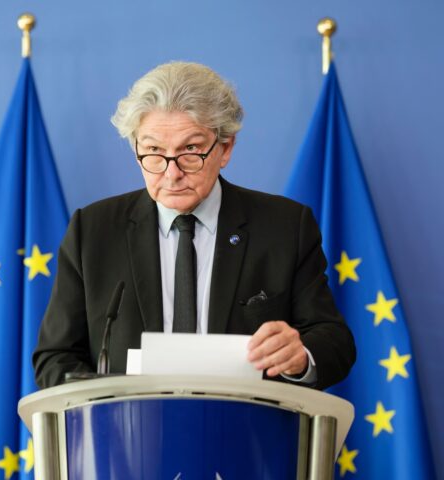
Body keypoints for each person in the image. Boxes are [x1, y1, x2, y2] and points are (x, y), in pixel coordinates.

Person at [33, 62, 355, 390]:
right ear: (135, 148)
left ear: (225, 147)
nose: (171, 173)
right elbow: (55, 356)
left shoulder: (284, 227)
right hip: (128, 435)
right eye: (154, 151)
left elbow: (334, 342)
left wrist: (300, 355)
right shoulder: (93, 231)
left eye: (190, 150)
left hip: (246, 433)